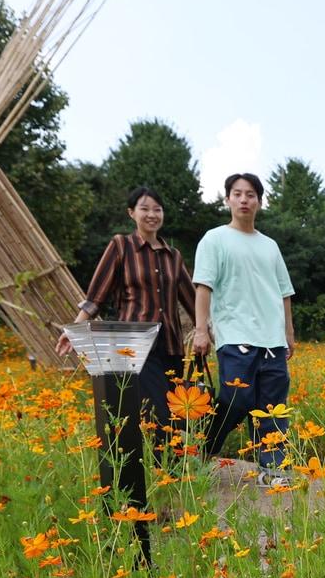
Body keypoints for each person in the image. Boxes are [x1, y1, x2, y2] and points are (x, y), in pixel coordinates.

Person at [57, 186, 202, 431]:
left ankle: (171, 464)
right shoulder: (121, 246)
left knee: (176, 413)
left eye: (157, 209)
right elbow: (96, 295)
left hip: (171, 347)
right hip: (134, 347)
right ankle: (168, 468)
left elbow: (193, 301)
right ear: (131, 213)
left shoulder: (173, 256)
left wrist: (205, 330)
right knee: (159, 413)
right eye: (144, 209)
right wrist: (74, 329)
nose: (152, 214)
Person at [192, 172, 296, 487]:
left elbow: (284, 292)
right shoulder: (214, 239)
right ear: (227, 200)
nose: (243, 199)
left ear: (259, 201)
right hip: (234, 335)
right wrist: (200, 329)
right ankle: (203, 451)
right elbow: (203, 287)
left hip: (272, 339)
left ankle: (274, 471)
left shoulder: (270, 245)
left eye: (250, 194)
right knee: (236, 399)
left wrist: (288, 333)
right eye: (237, 194)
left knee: (273, 408)